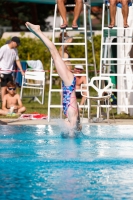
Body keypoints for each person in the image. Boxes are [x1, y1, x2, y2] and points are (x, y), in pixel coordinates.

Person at [25, 22, 82, 136]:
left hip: (68, 83)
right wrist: (71, 135)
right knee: (54, 53)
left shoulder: (70, 114)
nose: (63, 125)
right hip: (68, 82)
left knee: (54, 53)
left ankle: (37, 32)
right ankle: (38, 30)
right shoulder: (73, 117)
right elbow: (73, 131)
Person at [0, 36, 25, 101]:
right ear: (13, 42)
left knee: (11, 88)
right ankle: (3, 104)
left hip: (10, 72)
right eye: (17, 44)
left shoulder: (15, 50)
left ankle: (9, 103)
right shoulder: (3, 48)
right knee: (4, 88)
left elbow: (17, 60)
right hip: (2, 71)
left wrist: (21, 70)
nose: (18, 46)